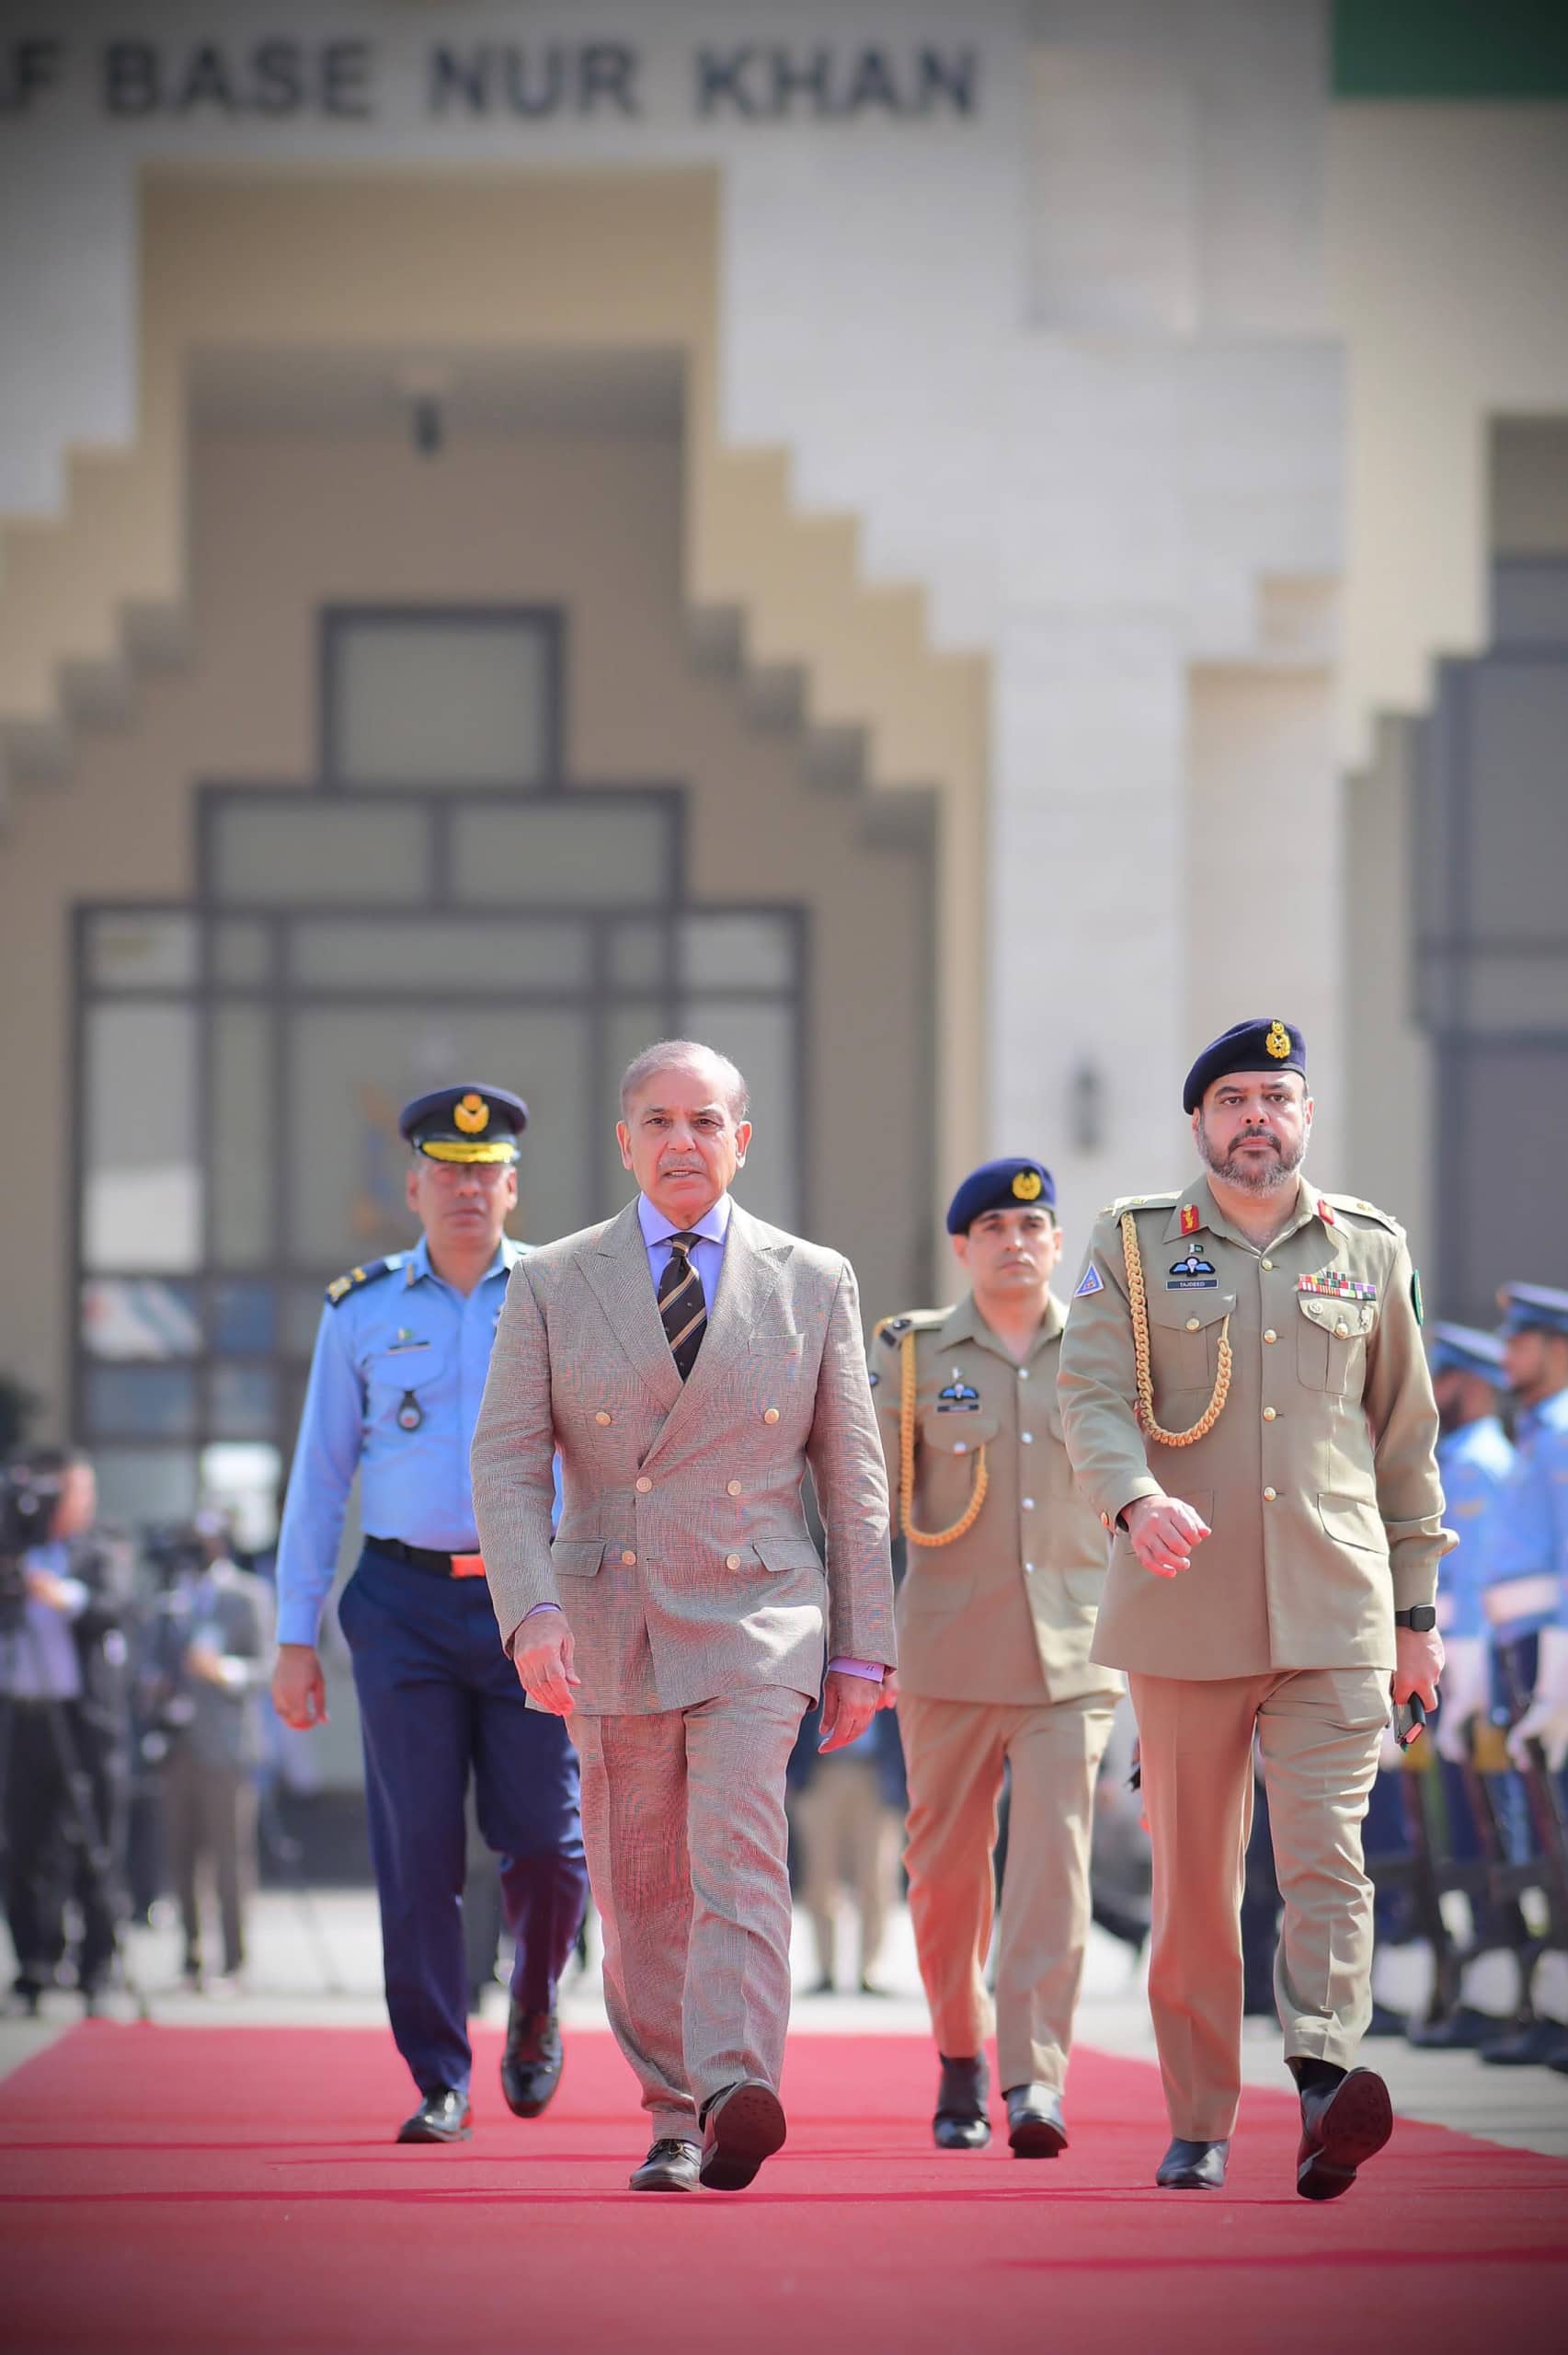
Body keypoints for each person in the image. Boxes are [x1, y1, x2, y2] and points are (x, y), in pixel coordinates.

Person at [471, 1039, 896, 2194]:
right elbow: (507, 1463)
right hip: (608, 1608)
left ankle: (735, 2084)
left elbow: (851, 1476)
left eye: (705, 1122)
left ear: (739, 1140)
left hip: (760, 1611)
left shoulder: (812, 1278)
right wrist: (533, 1613)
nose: (680, 1142)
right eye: (658, 1121)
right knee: (640, 1878)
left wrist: (863, 1648)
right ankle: (672, 2108)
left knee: (741, 1855)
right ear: (624, 1141)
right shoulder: (554, 1280)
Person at [1058, 1018, 1450, 2199]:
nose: (1254, 1118)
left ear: (1305, 1116)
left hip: (1338, 1606)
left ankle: (1327, 2080)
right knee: (1192, 1882)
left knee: (1329, 1855)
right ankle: (1198, 2117)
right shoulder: (1132, 1244)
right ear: (1198, 1122)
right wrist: (1132, 1502)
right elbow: (1089, 1396)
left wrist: (1417, 1618)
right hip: (1185, 1610)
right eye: (1231, 1099)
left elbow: (1407, 1443)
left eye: (1274, 1096)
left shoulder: (1369, 1250)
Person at [271, 1084, 588, 2144]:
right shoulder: (360, 1310)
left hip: (530, 1601)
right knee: (417, 1849)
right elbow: (319, 1481)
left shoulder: (557, 1295)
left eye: (483, 1167)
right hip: (401, 1601)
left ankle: (537, 1998)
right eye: (445, 1170)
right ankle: (438, 2071)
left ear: (512, 1184)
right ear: (412, 1185)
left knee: (545, 1842)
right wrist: (292, 1637)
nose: (465, 1186)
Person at [868, 1158, 1122, 2157]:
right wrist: (859, 1642)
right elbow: (870, 1506)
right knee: (942, 1877)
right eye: (995, 1227)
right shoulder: (915, 1354)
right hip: (946, 1652)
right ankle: (958, 2054)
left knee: (1051, 1872)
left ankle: (1034, 2082)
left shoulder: (1108, 1351)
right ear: (962, 1247)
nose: (1016, 1241)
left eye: (1033, 1224)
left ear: (1057, 1243)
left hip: (1074, 1655)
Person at [0, 1448, 132, 2013]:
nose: (78, 1504)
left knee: (95, 1841)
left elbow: (116, 1607)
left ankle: (95, 1968)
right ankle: (32, 1965)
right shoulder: (12, 1552)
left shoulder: (97, 1550)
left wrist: (62, 1595)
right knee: (25, 1847)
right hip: (23, 1719)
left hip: (84, 1723)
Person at [144, 1513, 274, 1991]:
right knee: (180, 1854)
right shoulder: (169, 1601)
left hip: (227, 1745)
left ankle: (235, 1960)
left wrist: (223, 1671)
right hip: (177, 1743)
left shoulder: (247, 1595)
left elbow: (266, 1665)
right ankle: (191, 1956)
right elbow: (148, 1662)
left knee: (229, 1855)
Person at [786, 1698, 905, 1996]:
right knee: (819, 1875)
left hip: (877, 1775)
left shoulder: (888, 1654)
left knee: (877, 1875)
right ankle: (825, 1970)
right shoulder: (814, 1653)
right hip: (819, 1774)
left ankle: (870, 1970)